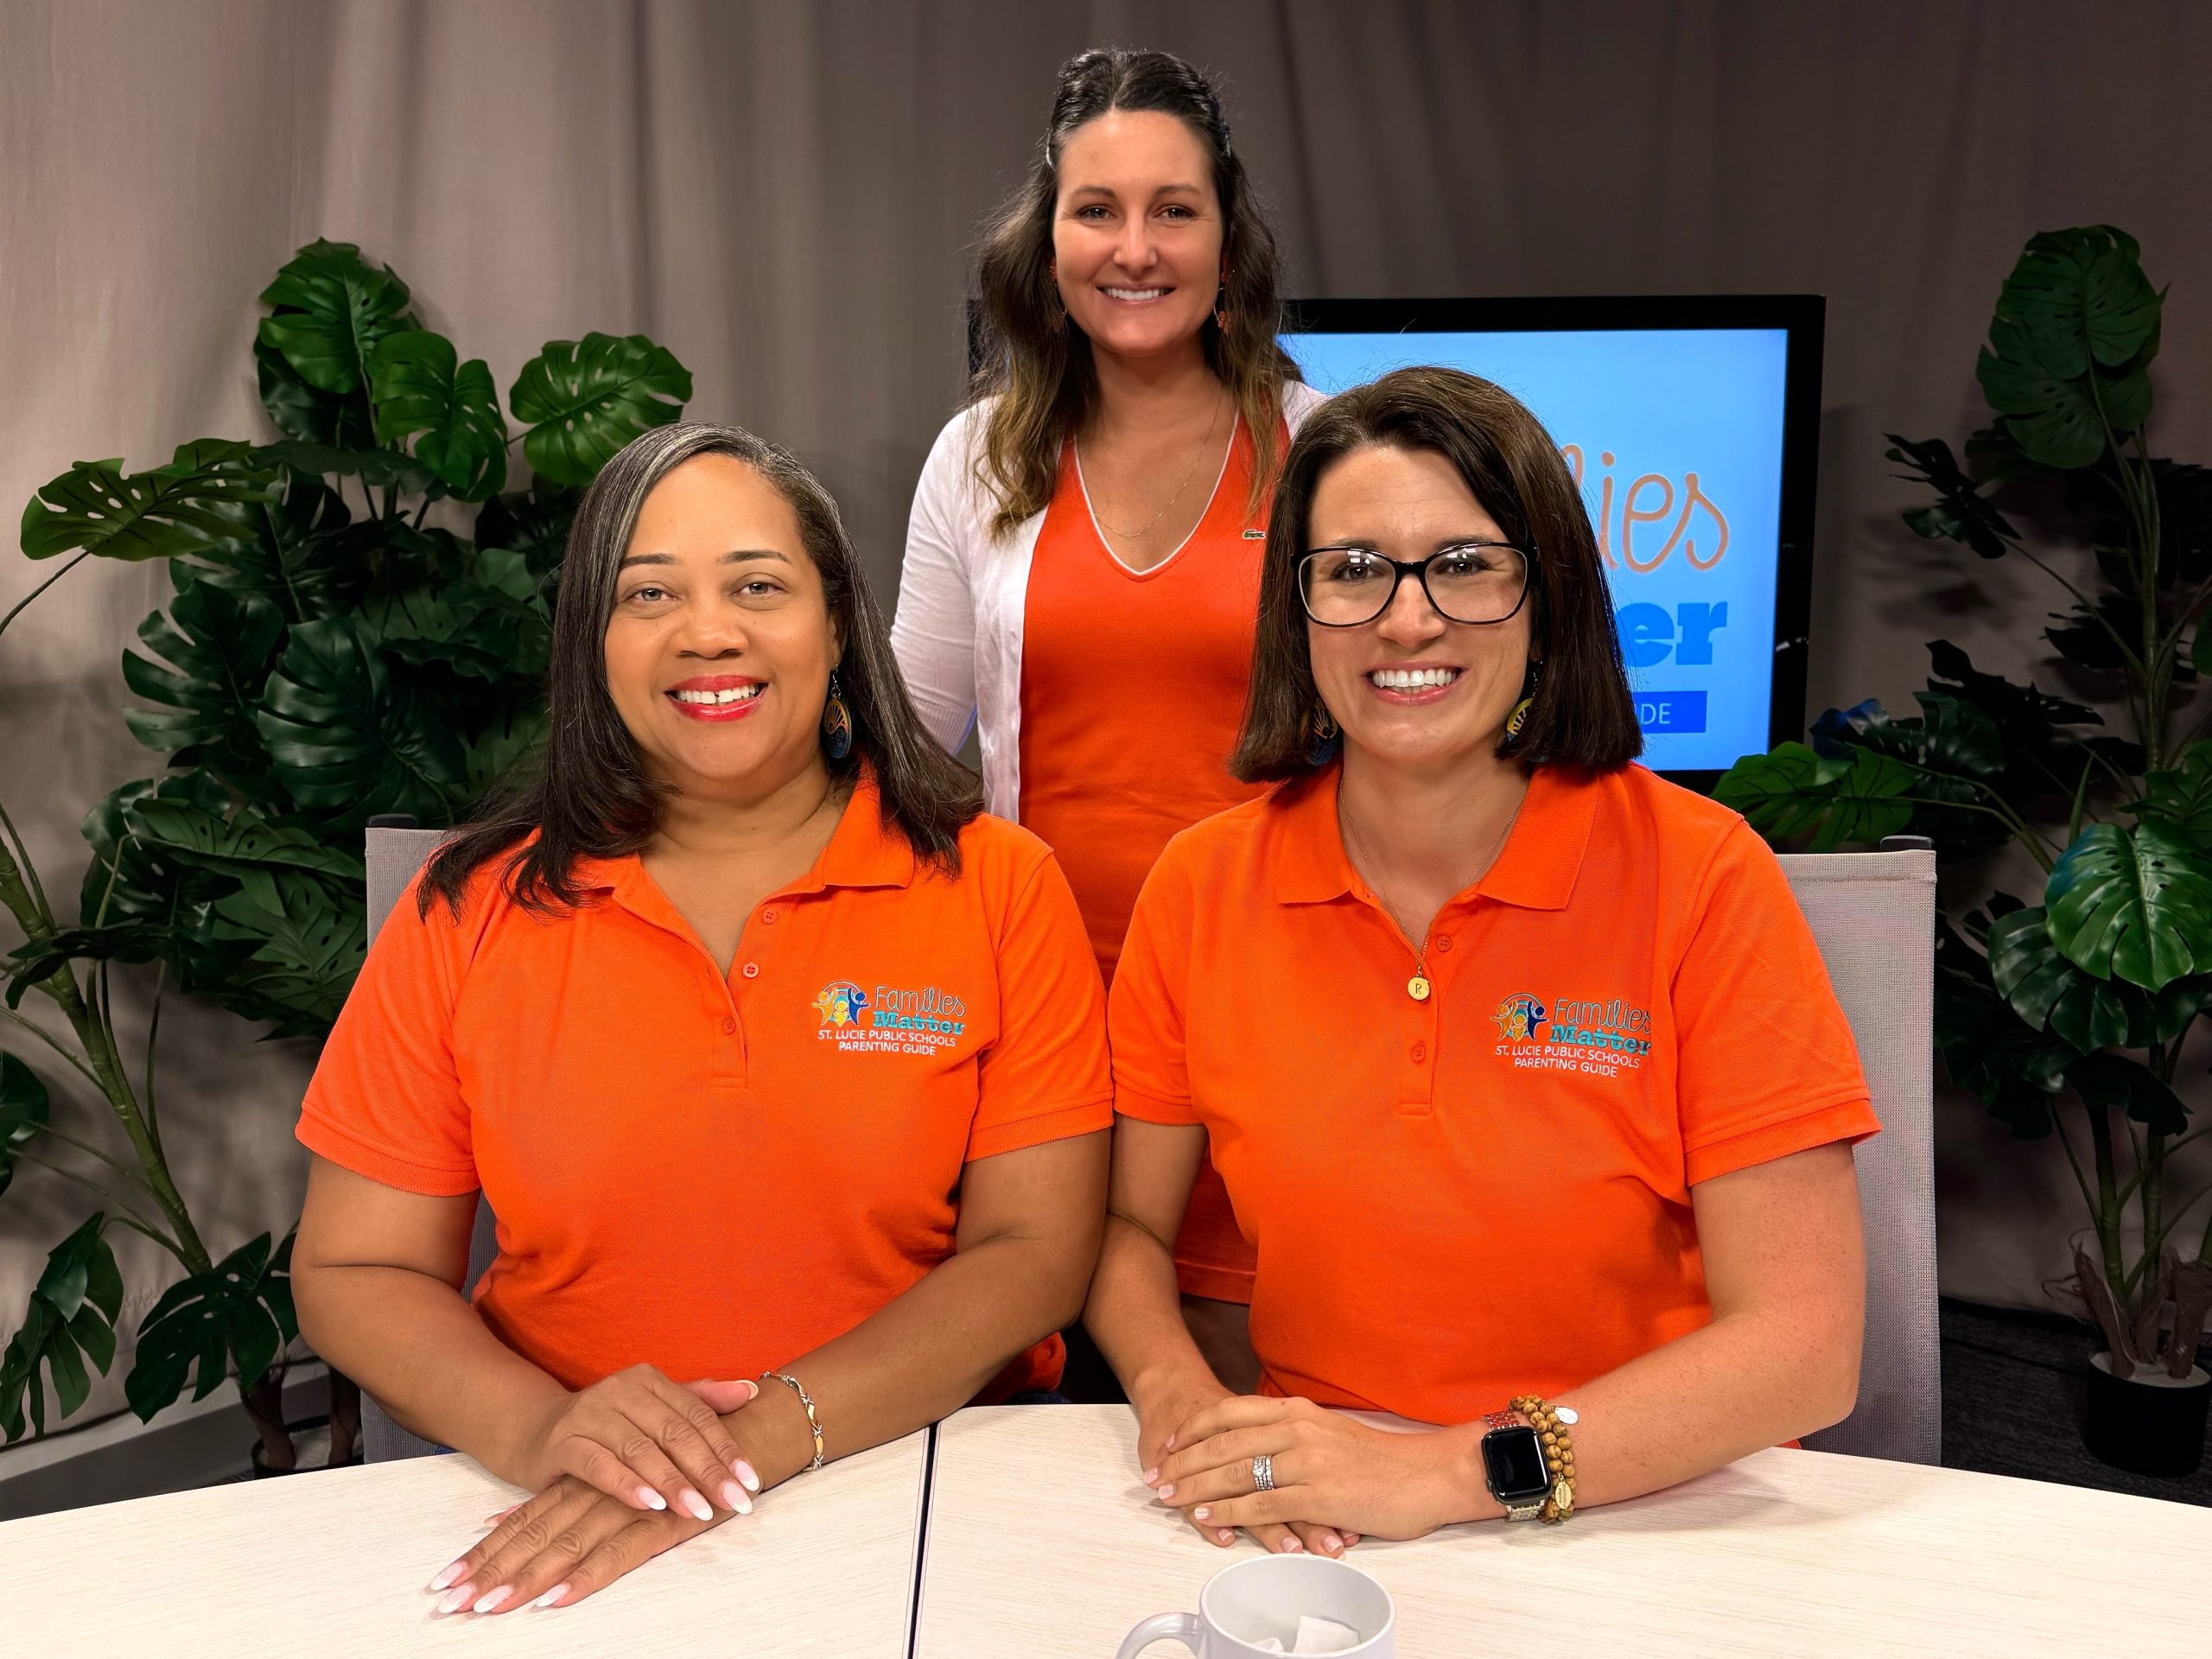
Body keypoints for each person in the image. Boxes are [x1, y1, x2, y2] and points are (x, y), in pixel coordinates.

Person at [291, 423, 1112, 1614]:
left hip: (928, 1484)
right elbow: (357, 1266)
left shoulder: (998, 885)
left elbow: (1032, 1259)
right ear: (595, 643)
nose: (708, 631)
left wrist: (756, 1442)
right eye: (649, 594)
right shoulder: (469, 907)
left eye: (757, 587)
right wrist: (554, 1433)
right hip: (566, 1502)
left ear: (838, 624)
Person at [1084, 367, 1878, 1560]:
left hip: (1651, 1508)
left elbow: (1805, 1348)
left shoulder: (1705, 876)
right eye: (1352, 570)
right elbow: (1123, 1232)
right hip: (1322, 1510)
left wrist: (1454, 1471)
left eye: (1464, 564)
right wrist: (1179, 1399)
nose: (1407, 620)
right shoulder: (1200, 887)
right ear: (1295, 616)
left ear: (1545, 595)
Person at [893, 47, 1326, 1382]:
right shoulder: (979, 457)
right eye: (1098, 210)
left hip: (1275, 1005)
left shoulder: (1326, 448)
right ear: (1047, 235)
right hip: (1050, 1018)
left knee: (1261, 1380)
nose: (1134, 248)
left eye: (1173, 210)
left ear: (1227, 235)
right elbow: (911, 748)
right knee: (1056, 1398)